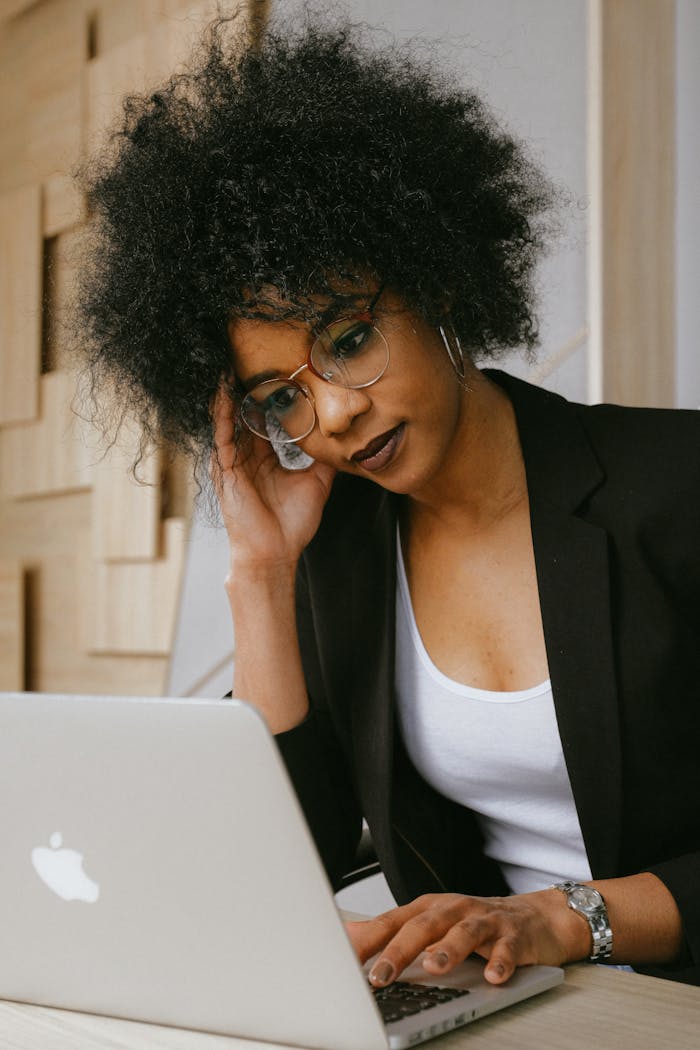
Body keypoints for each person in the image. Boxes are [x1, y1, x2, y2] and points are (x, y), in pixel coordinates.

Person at [74, 11, 700, 986]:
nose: (329, 412)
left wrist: (563, 919)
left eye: (351, 340)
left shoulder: (675, 483)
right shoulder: (343, 545)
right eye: (280, 395)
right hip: (498, 1011)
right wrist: (262, 571)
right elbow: (289, 856)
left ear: (438, 280)